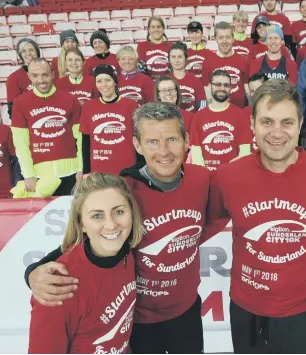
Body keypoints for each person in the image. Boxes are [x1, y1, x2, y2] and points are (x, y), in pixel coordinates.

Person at [25, 102, 210, 354]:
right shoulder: (124, 189)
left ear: (186, 140)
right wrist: (33, 272)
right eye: (152, 142)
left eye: (172, 139)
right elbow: (85, 240)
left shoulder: (202, 179)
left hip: (186, 311)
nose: (163, 151)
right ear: (137, 145)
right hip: (139, 320)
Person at [203, 79, 306, 353]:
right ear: (252, 124)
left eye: (286, 122)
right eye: (267, 122)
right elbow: (195, 229)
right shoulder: (227, 177)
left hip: (304, 313)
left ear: (300, 124)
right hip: (246, 309)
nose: (276, 132)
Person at [28, 172, 144, 353]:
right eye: (97, 216)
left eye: (119, 212)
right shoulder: (57, 289)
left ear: (132, 212)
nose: (111, 225)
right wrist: (31, 274)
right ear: (81, 223)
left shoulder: (126, 251)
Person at [11, 58, 83, 197]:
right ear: (29, 77)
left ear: (53, 74)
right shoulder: (20, 103)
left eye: (45, 74)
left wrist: (81, 169)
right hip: (39, 177)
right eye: (35, 75)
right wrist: (28, 174)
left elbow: (81, 138)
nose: (41, 80)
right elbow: (20, 143)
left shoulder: (70, 100)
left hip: (71, 174)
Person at [80, 65, 139, 175]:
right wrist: (86, 171)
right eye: (99, 81)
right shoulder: (88, 106)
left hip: (126, 167)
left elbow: (139, 137)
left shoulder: (130, 105)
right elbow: (86, 141)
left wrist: (139, 167)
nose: (103, 85)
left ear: (115, 81)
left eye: (107, 80)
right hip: (99, 168)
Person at [190, 70, 251, 171]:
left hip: (232, 176)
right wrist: (204, 175)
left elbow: (244, 151)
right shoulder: (198, 117)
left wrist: (234, 172)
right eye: (218, 84)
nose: (222, 88)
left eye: (226, 85)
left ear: (231, 88)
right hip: (207, 177)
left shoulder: (240, 115)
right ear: (210, 86)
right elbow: (196, 153)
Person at [201, 22, 249, 108]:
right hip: (217, 113)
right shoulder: (208, 62)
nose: (224, 41)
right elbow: (207, 93)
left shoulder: (243, 60)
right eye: (221, 37)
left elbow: (248, 91)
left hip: (240, 112)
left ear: (233, 38)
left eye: (228, 37)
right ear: (215, 38)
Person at [168, 41, 206, 113]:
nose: (177, 60)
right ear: (169, 59)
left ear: (186, 58)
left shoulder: (196, 81)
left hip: (192, 121)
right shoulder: (164, 81)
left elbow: (202, 108)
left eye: (180, 57)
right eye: (173, 57)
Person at [7, 38, 40, 117]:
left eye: (31, 50)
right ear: (20, 55)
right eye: (23, 51)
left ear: (37, 52)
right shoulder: (14, 78)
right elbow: (12, 109)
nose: (28, 53)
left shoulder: (48, 72)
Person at [243, 72, 269, 152]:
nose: (255, 94)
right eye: (252, 91)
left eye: (258, 90)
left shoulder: (277, 112)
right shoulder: (243, 114)